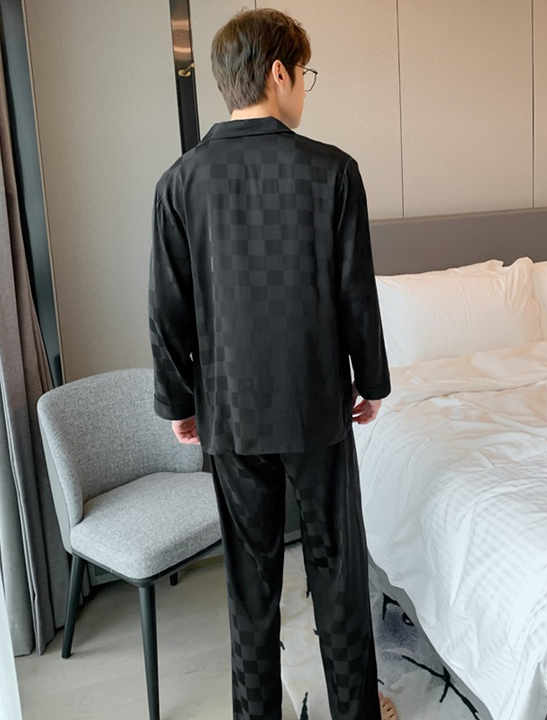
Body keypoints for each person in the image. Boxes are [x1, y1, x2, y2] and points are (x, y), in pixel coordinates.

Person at [148, 7, 396, 719]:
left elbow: (167, 306)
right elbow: (356, 294)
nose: (303, 90)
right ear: (279, 72)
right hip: (316, 406)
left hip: (230, 411)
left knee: (249, 580)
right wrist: (372, 383)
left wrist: (180, 403)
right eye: (304, 74)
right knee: (336, 570)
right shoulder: (332, 172)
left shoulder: (180, 181)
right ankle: (355, 710)